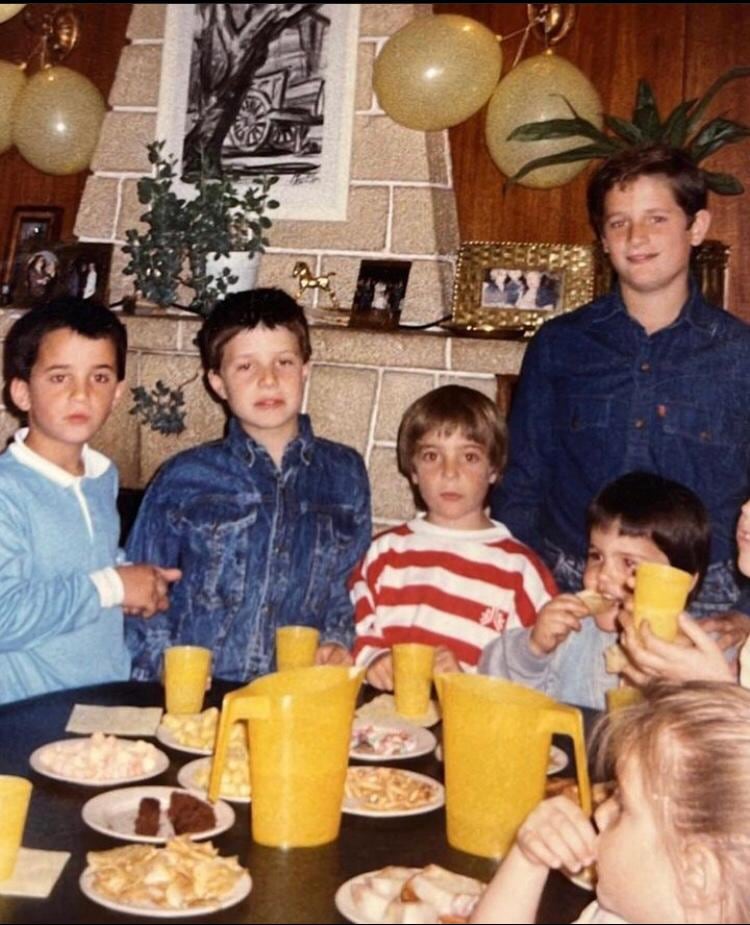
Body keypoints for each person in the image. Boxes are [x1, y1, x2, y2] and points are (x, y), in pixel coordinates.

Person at [491, 145, 750, 640]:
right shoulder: (560, 346)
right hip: (572, 587)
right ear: (602, 240)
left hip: (702, 602)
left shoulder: (739, 354)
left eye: (656, 218)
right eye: (618, 223)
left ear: (695, 228)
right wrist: (533, 587)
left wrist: (749, 612)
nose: (637, 237)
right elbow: (521, 484)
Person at [125, 288, 372, 682]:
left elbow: (346, 584)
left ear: (305, 369)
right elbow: (143, 595)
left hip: (294, 692)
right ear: (218, 383)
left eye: (284, 362)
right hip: (199, 693)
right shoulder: (183, 477)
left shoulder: (345, 473)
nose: (269, 379)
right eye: (246, 367)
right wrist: (163, 666)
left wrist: (336, 642)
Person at [0, 298, 181, 704]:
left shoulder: (102, 476)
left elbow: (81, 562)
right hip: (27, 712)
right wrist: (112, 586)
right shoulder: (6, 492)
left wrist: (131, 578)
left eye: (99, 378)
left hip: (101, 697)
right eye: (59, 378)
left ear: (117, 393)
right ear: (22, 392)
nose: (81, 394)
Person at [470, 681, 750, 924]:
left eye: (623, 805)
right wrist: (528, 861)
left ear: (696, 874)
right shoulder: (628, 909)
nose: (601, 813)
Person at [351, 385, 557, 690]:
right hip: (384, 724)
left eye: (470, 457)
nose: (450, 472)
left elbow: (537, 673)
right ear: (413, 470)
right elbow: (354, 621)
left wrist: (465, 682)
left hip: (472, 726)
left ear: (494, 469)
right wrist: (373, 660)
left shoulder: (521, 571)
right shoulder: (385, 552)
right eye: (432, 456)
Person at [478, 471, 710, 709]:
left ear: (683, 582)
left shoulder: (701, 662)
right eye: (596, 556)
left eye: (630, 563)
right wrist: (533, 649)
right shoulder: (571, 637)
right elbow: (490, 689)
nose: (603, 575)